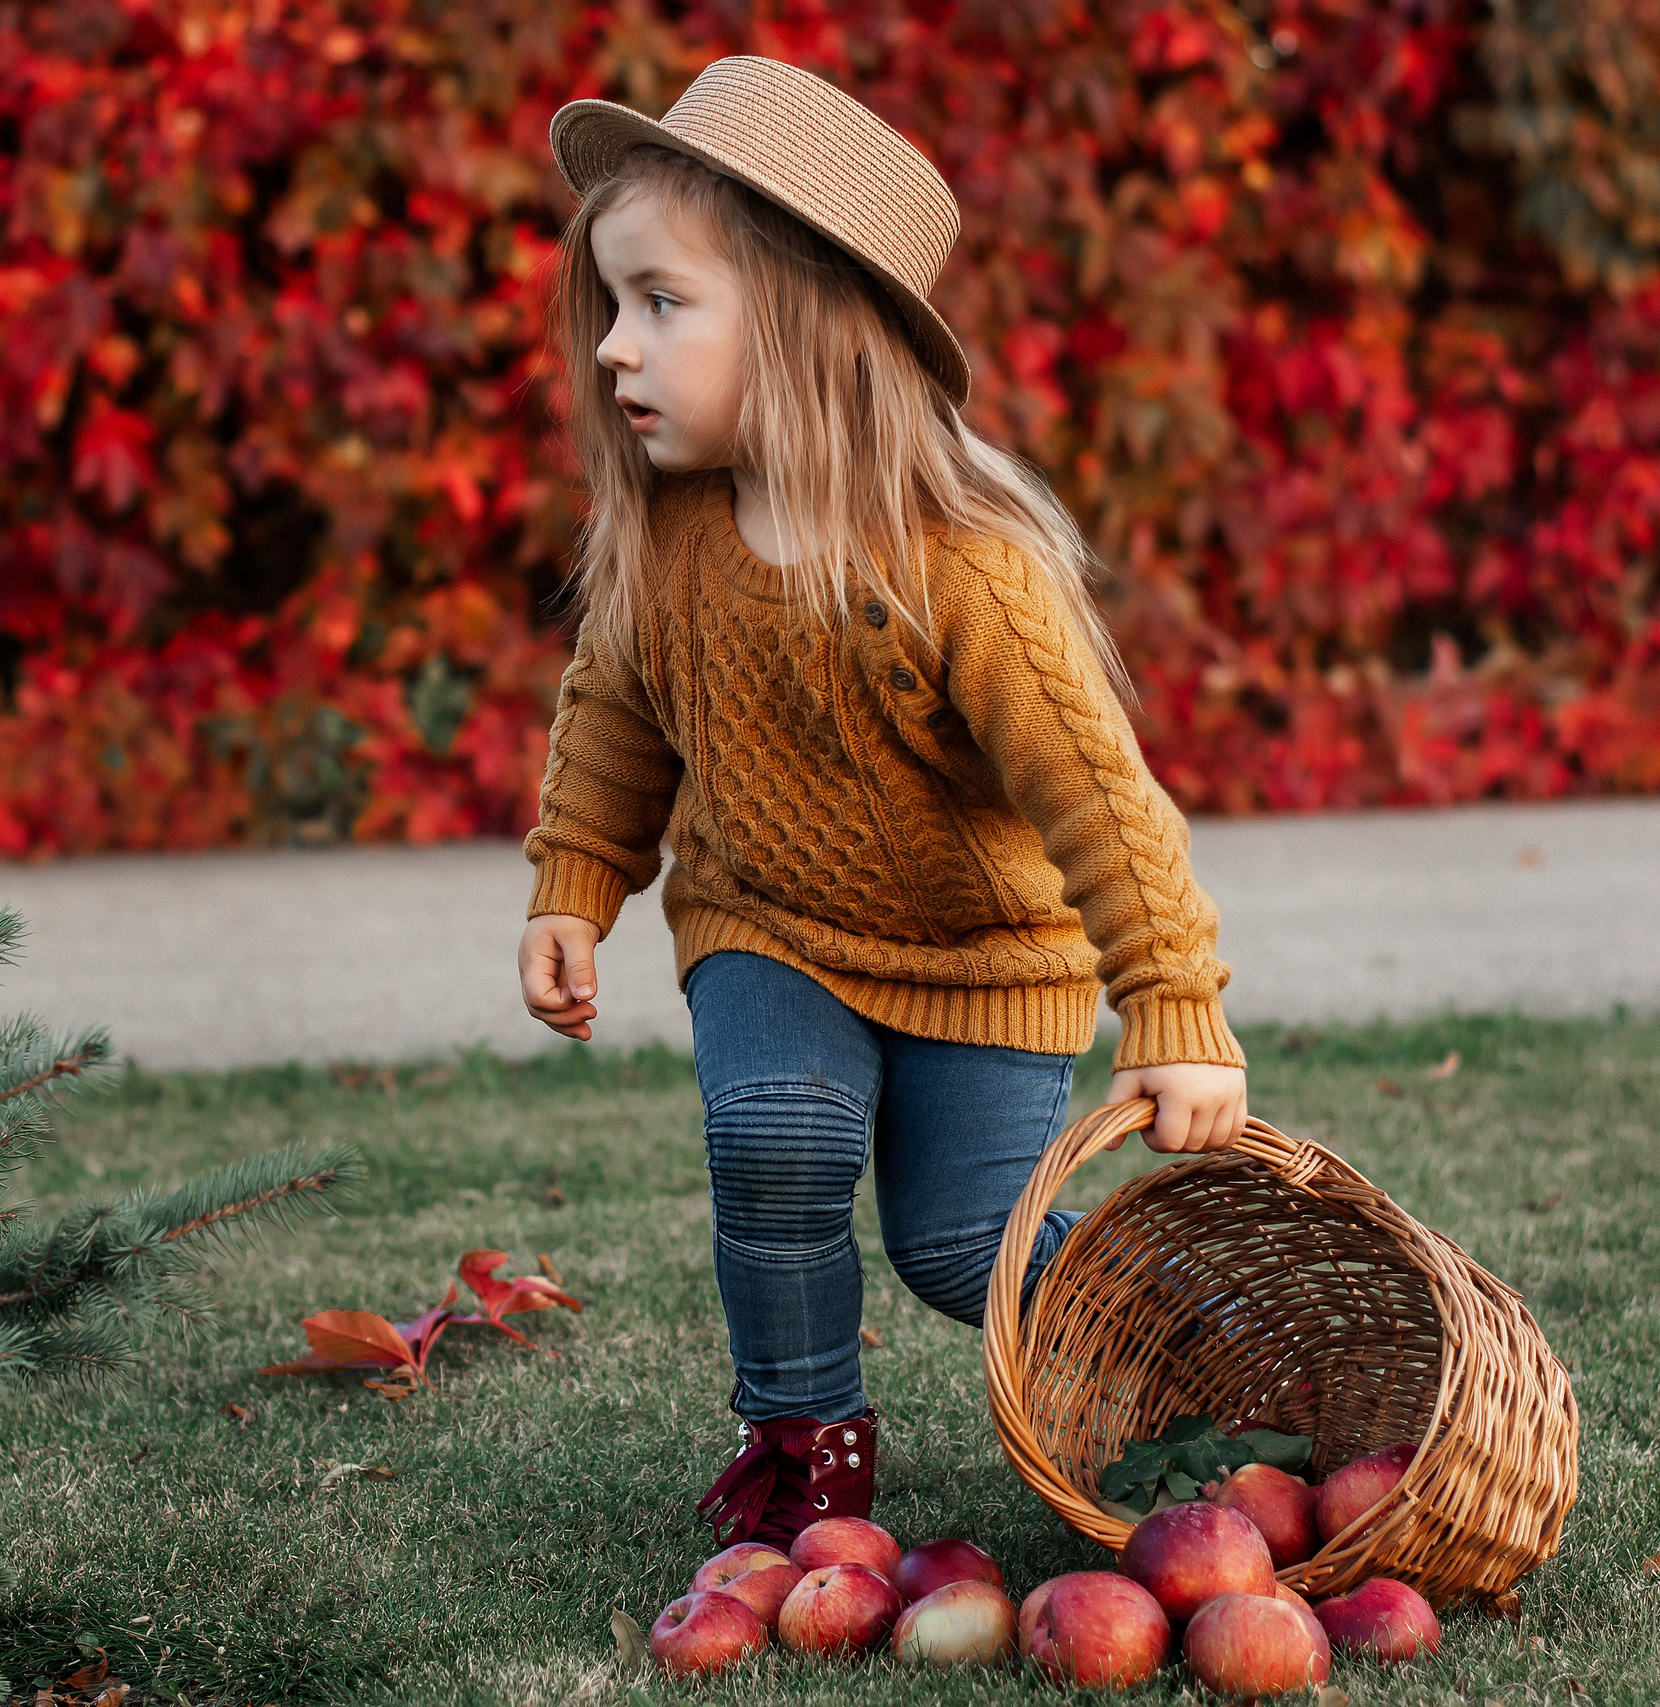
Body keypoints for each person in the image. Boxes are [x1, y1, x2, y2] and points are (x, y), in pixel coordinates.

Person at [515, 57, 1249, 1550]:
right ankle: (804, 1455)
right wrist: (574, 880)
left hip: (985, 959)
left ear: (802, 324)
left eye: (660, 303)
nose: (612, 349)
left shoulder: (959, 571)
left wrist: (1175, 1003)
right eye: (608, 305)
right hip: (766, 922)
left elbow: (1103, 806)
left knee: (955, 1244)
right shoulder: (664, 536)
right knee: (774, 1139)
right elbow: (612, 719)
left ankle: (1189, 1371)